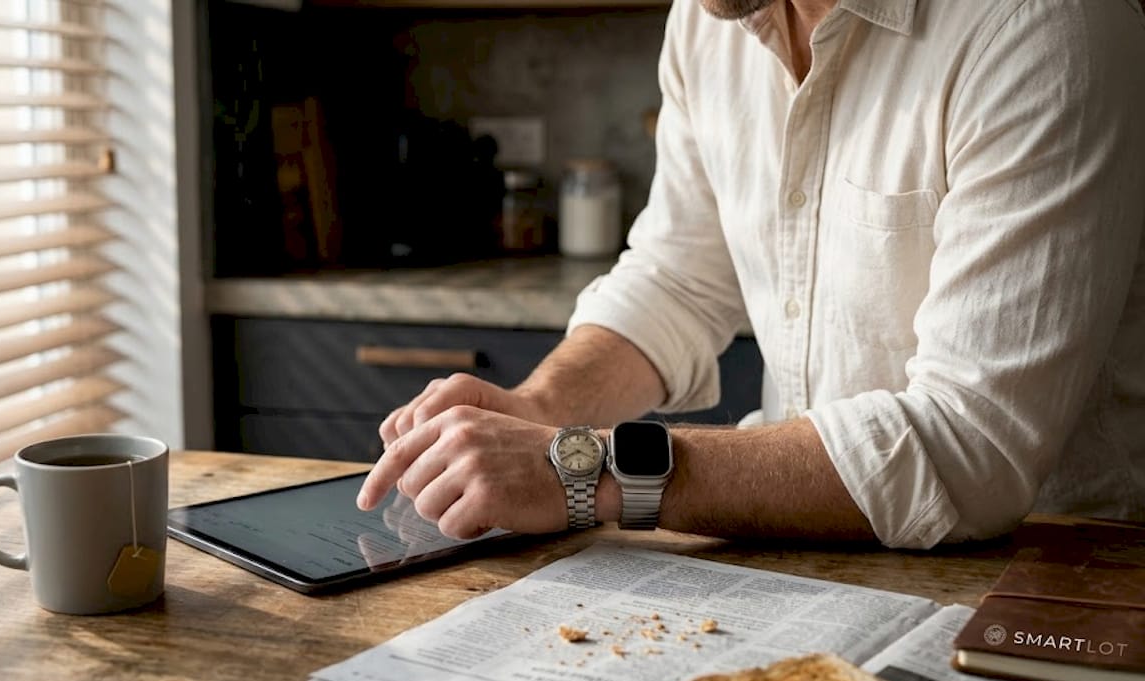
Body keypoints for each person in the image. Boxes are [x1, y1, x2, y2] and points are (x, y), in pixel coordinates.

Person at [356, 0, 1145, 549]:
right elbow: (677, 277)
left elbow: (970, 443)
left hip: (1051, 577)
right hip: (804, 553)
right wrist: (539, 408)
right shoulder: (711, 24)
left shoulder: (1045, 26)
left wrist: (587, 467)